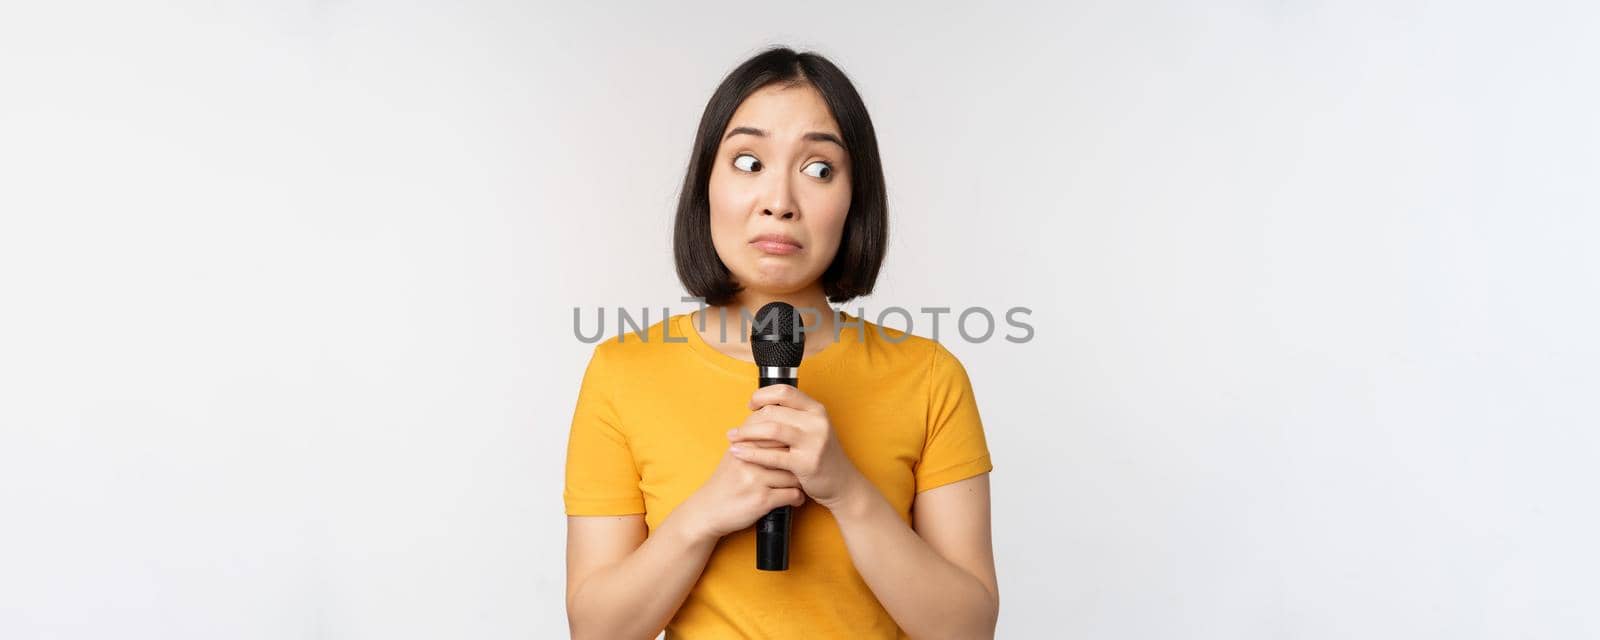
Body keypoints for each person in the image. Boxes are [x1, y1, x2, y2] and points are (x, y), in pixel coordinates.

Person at [563, 45, 998, 639]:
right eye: (748, 162)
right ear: (705, 186)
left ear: (855, 199)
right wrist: (703, 517)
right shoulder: (622, 372)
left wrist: (847, 491)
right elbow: (597, 632)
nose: (780, 202)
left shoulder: (929, 375)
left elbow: (967, 631)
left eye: (819, 169)